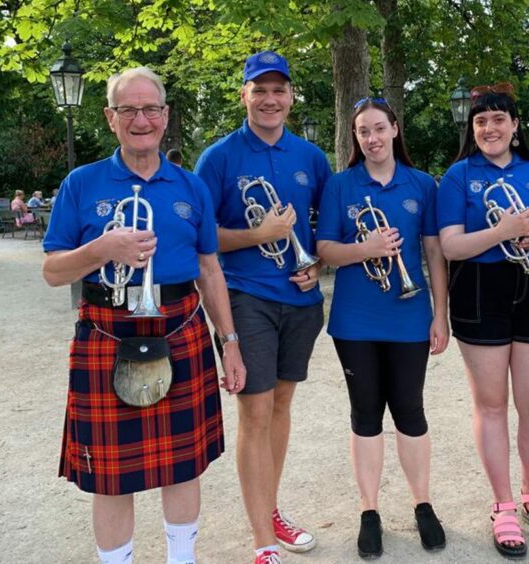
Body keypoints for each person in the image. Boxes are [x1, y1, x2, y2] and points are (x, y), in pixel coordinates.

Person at [41, 67, 246, 564]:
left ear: (165, 115)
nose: (140, 119)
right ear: (111, 118)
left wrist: (230, 342)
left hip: (179, 324)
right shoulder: (81, 183)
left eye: (150, 109)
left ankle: (183, 559)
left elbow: (209, 270)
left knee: (183, 465)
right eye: (128, 110)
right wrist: (103, 247)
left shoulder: (191, 186)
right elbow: (51, 270)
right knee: (112, 477)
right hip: (106, 328)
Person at [194, 50, 330, 564]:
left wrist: (317, 262)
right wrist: (259, 234)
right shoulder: (219, 157)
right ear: (244, 95)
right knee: (254, 410)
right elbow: (200, 239)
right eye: (260, 90)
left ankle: (270, 508)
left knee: (280, 406)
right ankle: (262, 540)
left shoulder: (312, 157)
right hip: (246, 297)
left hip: (300, 300)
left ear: (291, 96)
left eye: (279, 90)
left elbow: (326, 228)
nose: (270, 99)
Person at [436, 83, 529, 559]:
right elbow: (450, 246)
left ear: (515, 126)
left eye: (498, 120)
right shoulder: (458, 175)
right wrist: (502, 232)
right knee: (491, 405)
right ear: (473, 130)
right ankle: (503, 504)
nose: (489, 128)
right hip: (479, 289)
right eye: (480, 122)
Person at [315, 98, 449, 559]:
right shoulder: (339, 185)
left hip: (410, 316)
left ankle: (422, 503)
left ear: (394, 129)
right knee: (365, 414)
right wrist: (366, 248)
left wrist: (440, 313)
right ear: (355, 138)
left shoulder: (421, 184)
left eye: (378, 128)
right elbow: (326, 251)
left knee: (410, 411)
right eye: (362, 132)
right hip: (355, 320)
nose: (371, 138)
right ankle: (368, 510)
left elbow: (434, 252)